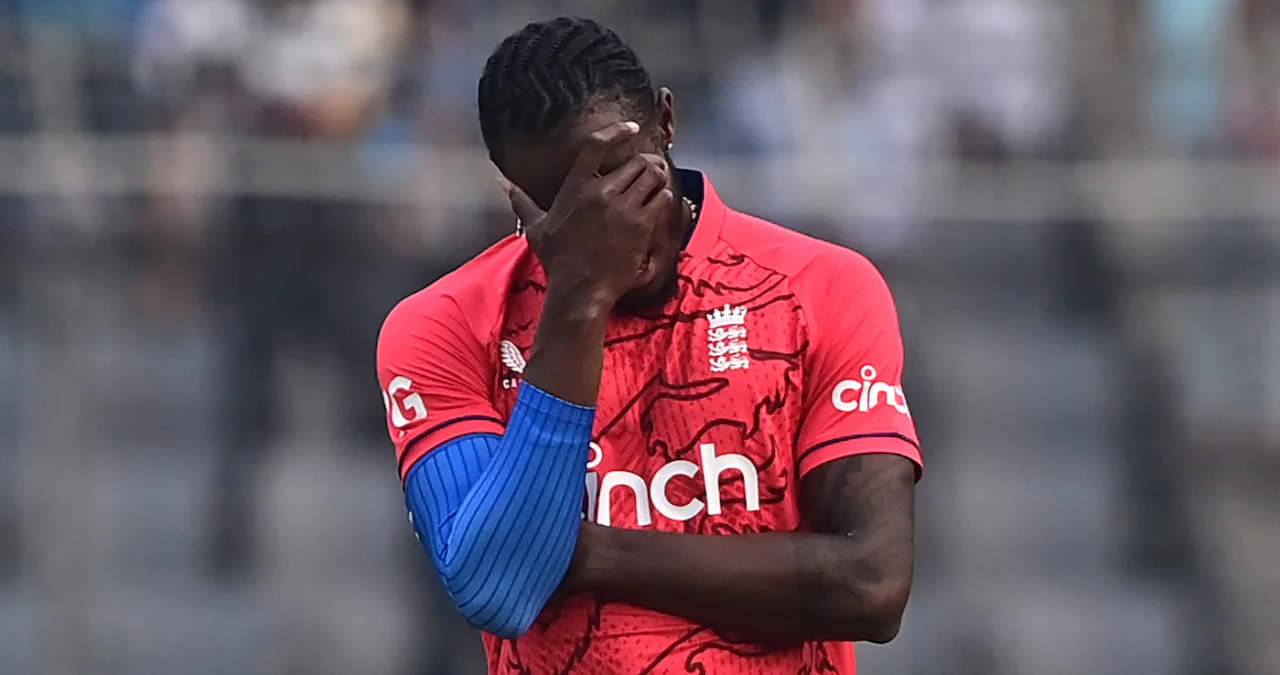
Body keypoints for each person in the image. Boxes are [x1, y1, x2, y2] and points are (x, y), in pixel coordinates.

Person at [376, 17, 922, 674]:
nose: (610, 227)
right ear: (511, 191)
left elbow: (871, 583)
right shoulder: (443, 326)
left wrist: (581, 550)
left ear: (666, 122)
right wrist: (579, 297)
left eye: (624, 182)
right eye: (565, 210)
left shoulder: (818, 286)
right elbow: (500, 586)